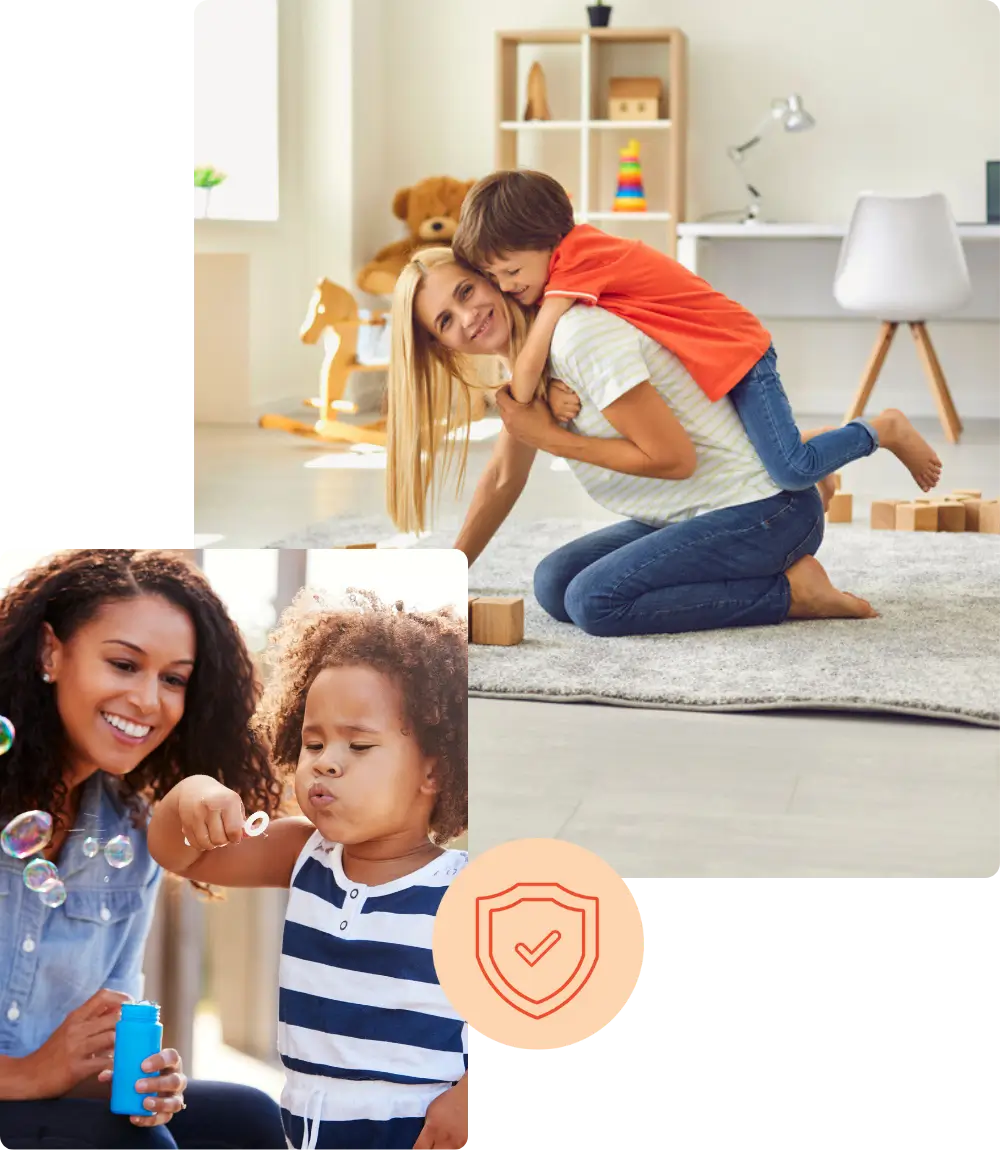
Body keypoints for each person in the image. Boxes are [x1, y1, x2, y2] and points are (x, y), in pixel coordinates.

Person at [387, 247, 880, 635]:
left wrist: (553, 440)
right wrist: (448, 575)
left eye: (466, 291)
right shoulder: (527, 370)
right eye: (446, 320)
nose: (467, 315)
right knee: (554, 583)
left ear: (492, 275)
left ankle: (792, 594)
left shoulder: (576, 337)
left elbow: (675, 458)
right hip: (693, 511)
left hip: (765, 513)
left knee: (594, 602)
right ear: (441, 346)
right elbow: (501, 478)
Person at [146, 590, 470, 1150]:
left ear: (434, 772)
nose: (325, 760)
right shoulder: (303, 853)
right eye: (312, 741)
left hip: (421, 1131)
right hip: (308, 1129)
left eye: (360, 745)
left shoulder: (465, 889)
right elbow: (178, 852)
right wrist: (190, 795)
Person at [0, 548, 287, 1150]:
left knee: (250, 1119)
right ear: (51, 653)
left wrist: (140, 1084)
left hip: (34, 1108)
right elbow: (38, 1077)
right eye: (124, 664)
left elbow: (92, 1048)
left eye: (173, 678)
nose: (150, 701)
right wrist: (27, 1074)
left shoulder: (130, 833)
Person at [451, 168, 942, 497]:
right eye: (495, 280)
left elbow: (539, 343)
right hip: (708, 358)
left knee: (790, 468)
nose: (508, 288)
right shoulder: (565, 264)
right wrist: (550, 392)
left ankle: (883, 429)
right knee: (762, 454)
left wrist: (517, 402)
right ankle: (820, 465)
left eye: (512, 272)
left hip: (738, 354)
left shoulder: (578, 257)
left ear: (547, 240)